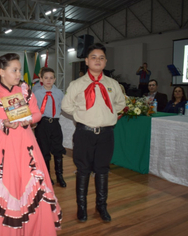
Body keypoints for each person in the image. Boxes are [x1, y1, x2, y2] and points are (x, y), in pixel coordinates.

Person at [0, 53, 62, 235]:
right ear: (1, 72)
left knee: (31, 185)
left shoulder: (25, 92)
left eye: (19, 70)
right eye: (15, 70)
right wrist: (1, 123)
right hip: (3, 148)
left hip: (26, 146)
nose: (19, 74)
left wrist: (29, 120)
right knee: (5, 186)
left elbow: (37, 113)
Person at [61, 43, 126, 223]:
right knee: (83, 170)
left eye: (101, 58)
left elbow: (121, 104)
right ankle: (81, 207)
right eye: (94, 57)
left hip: (106, 134)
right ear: (87, 61)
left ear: (105, 62)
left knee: (102, 170)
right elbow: (66, 106)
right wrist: (81, 115)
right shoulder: (77, 84)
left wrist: (109, 114)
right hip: (84, 134)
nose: (98, 60)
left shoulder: (113, 84)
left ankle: (101, 206)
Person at [34, 67, 67, 187]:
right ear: (41, 79)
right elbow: (33, 109)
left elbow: (64, 107)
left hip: (55, 124)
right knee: (44, 151)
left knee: (58, 150)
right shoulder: (37, 93)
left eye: (51, 78)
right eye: (46, 78)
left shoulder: (59, 93)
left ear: (54, 79)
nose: (49, 80)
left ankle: (60, 176)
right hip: (42, 124)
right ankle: (47, 176)